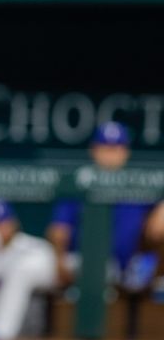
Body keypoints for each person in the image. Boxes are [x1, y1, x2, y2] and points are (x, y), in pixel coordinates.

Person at [47, 122, 154, 292]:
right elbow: (59, 230)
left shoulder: (139, 184)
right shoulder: (80, 182)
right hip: (79, 260)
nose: (111, 154)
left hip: (126, 267)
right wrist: (59, 261)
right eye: (105, 148)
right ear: (94, 150)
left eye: (116, 148)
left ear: (126, 152)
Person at [0, 200, 58, 340]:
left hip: (27, 317)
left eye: (2, 223)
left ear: (13, 223)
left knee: (20, 271)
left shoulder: (32, 246)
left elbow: (52, 273)